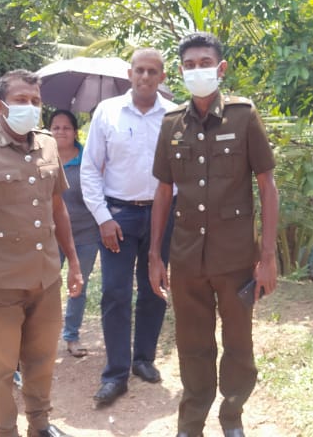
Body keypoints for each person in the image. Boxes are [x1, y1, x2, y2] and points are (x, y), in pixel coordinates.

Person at [149, 31, 279, 437]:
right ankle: (191, 424)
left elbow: (267, 186)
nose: (197, 71)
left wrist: (268, 257)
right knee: (193, 345)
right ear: (180, 71)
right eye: (189, 65)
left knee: (238, 344)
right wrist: (155, 256)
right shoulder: (171, 124)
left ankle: (232, 416)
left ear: (220, 69)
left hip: (236, 257)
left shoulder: (243, 115)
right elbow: (163, 191)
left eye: (205, 63)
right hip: (187, 258)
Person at [0, 69, 82, 437]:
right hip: (2, 284)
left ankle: (39, 424)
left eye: (35, 101)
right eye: (21, 100)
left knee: (42, 360)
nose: (30, 107)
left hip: (45, 277)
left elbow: (58, 209)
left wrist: (73, 262)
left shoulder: (47, 145)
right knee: (2, 367)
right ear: (0, 106)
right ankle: (5, 429)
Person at [80, 48, 176, 407]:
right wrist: (103, 217)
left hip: (163, 214)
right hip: (118, 216)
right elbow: (90, 168)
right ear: (129, 73)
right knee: (115, 292)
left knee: (154, 288)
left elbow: (181, 171)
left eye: (153, 71)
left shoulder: (174, 115)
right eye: (140, 70)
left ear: (162, 77)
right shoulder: (107, 112)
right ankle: (116, 373)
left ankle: (143, 359)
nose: (145, 76)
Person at [50, 109, 100, 358]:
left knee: (78, 285)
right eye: (56, 128)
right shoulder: (42, 159)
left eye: (66, 127)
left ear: (75, 132)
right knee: (47, 286)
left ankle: (71, 336)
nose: (61, 132)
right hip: (50, 234)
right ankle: (45, 337)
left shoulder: (89, 159)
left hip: (85, 234)